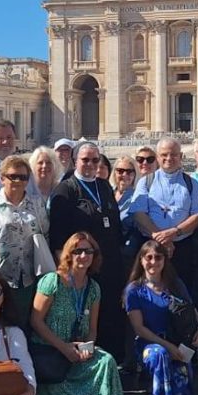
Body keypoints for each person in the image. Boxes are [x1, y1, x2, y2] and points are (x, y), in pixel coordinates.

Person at [29, 232, 125, 395]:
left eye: (88, 251)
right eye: (78, 251)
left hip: (77, 350)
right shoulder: (52, 281)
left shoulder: (94, 288)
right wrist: (63, 347)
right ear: (69, 254)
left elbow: (92, 329)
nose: (83, 256)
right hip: (50, 349)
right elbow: (36, 321)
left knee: (107, 362)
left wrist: (87, 348)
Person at [48, 142, 125, 364]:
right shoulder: (65, 190)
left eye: (95, 160)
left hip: (109, 263)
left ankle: (111, 366)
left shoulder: (104, 186)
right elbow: (58, 236)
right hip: (82, 267)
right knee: (87, 317)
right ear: (75, 161)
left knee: (110, 314)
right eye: (85, 160)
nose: (90, 164)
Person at [124, 241, 198, 395]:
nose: (153, 262)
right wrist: (167, 346)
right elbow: (139, 328)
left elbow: (191, 309)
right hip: (149, 343)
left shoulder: (175, 284)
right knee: (160, 354)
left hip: (176, 340)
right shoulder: (134, 290)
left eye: (158, 257)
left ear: (164, 260)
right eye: (149, 257)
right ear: (141, 260)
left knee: (181, 388)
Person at [0, 155, 49, 333]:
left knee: (26, 326)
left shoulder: (37, 203)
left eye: (23, 177)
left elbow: (45, 233)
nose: (18, 181)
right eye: (13, 176)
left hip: (30, 277)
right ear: (2, 178)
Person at [130, 138, 198, 302]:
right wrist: (161, 238)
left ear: (181, 156)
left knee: (181, 295)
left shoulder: (192, 184)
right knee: (150, 295)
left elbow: (197, 215)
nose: (169, 158)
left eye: (173, 155)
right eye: (164, 155)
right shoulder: (146, 182)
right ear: (157, 157)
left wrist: (174, 232)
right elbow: (138, 213)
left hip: (181, 248)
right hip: (152, 249)